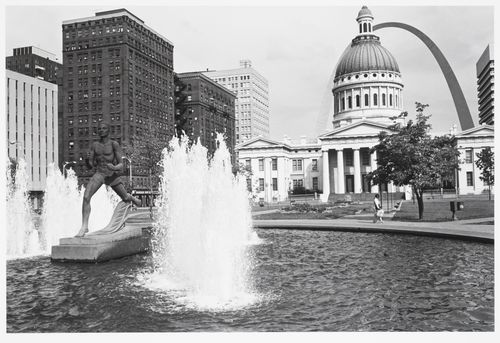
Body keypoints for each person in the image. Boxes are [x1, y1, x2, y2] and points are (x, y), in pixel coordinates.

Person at [75, 122, 141, 237]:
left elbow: (121, 164)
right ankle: (84, 226)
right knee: (86, 197)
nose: (101, 130)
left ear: (108, 130)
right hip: (100, 173)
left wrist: (114, 167)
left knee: (125, 197)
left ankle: (133, 198)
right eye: (99, 129)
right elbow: (90, 166)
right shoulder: (94, 145)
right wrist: (87, 160)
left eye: (104, 128)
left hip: (111, 175)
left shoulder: (114, 144)